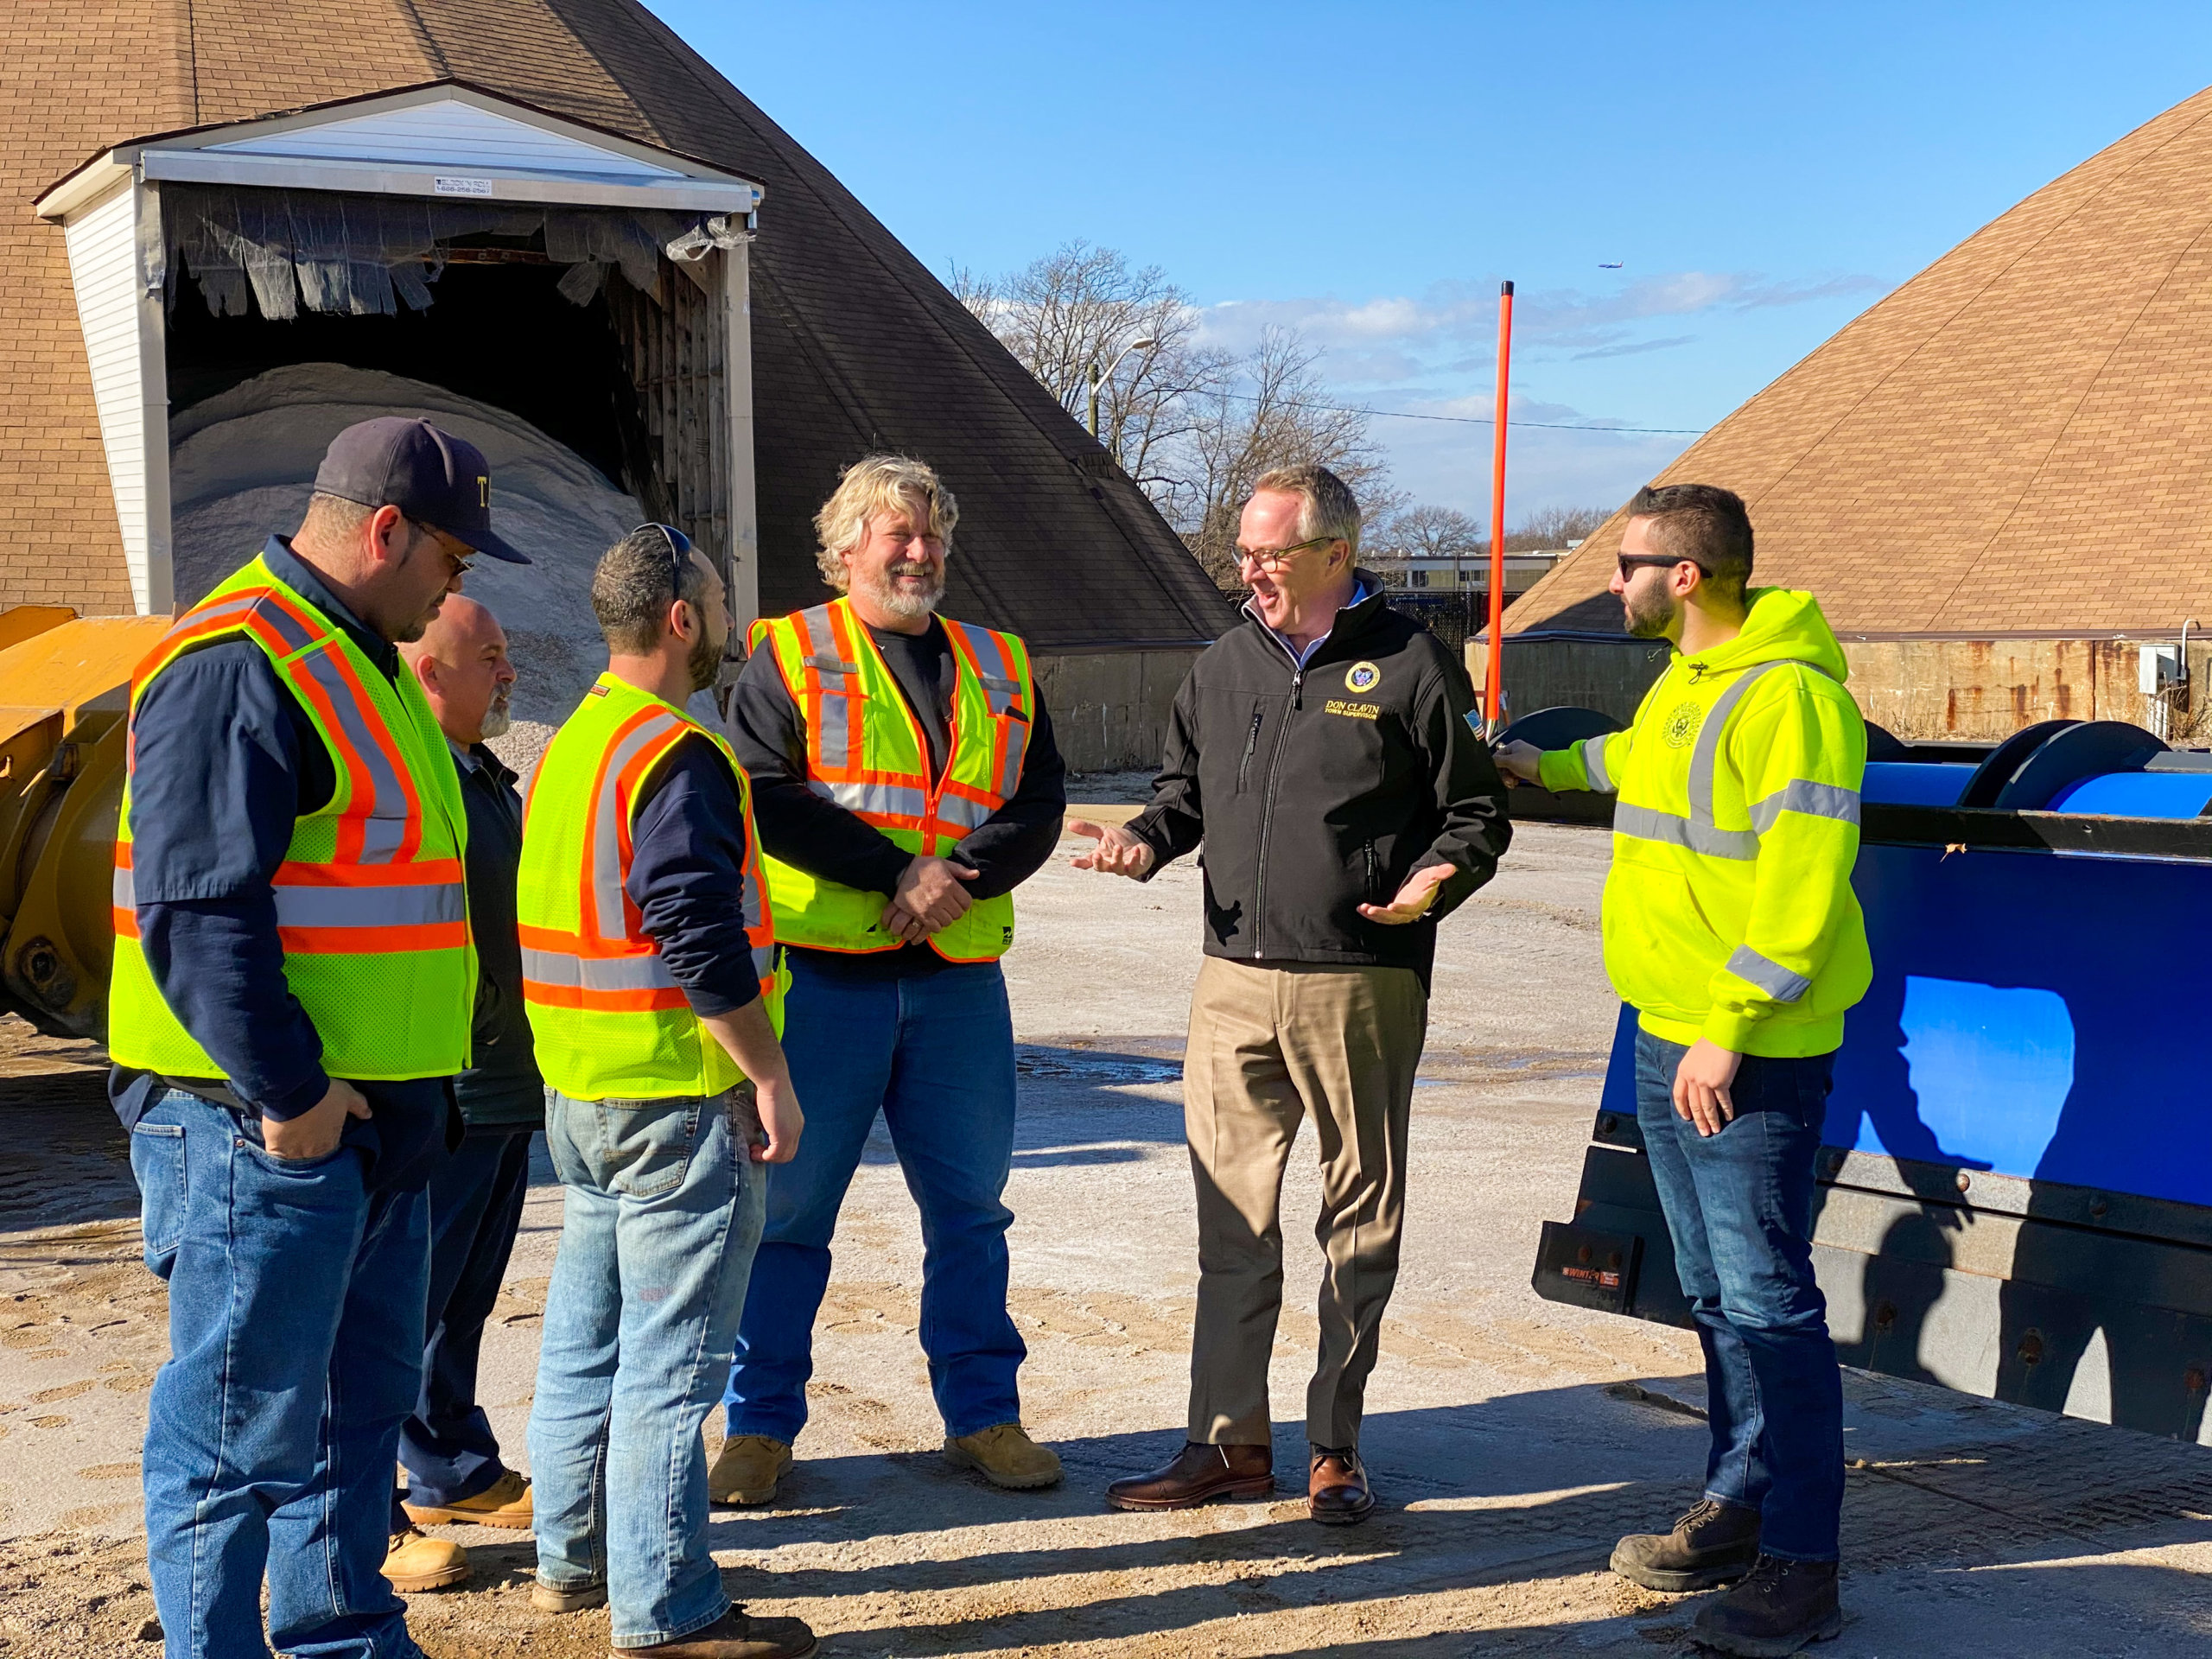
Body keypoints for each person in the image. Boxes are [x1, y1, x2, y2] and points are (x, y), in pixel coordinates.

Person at [111, 416, 527, 1658]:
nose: (458, 585)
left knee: (358, 1420)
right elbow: (196, 910)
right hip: (261, 1126)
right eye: (450, 559)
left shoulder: (372, 659)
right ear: (384, 530)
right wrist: (294, 1094)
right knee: (239, 1434)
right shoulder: (242, 658)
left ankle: (344, 1631)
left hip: (379, 1123)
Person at [1075, 463, 1510, 1526]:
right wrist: (1142, 841)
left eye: (1269, 554)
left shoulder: (1410, 663)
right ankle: (1225, 1447)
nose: (1249, 572)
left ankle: (1335, 1447)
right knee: (1231, 1225)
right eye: (1242, 553)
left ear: (1332, 554)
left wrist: (1437, 879)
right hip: (1230, 982)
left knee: (1357, 1219)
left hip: (1360, 981)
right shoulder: (1222, 665)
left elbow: (1476, 811)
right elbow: (1180, 797)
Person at [1493, 482, 1866, 1657]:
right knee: (1713, 1297)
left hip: (1740, 1055)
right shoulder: (1685, 686)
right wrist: (1530, 766)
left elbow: (1803, 890)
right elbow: (1633, 766)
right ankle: (1740, 1503)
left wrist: (1729, 1025)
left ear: (1687, 575)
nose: (1614, 580)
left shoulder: (1792, 699)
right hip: (1666, 1031)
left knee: (1770, 1305)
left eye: (1627, 563)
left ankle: (1805, 1562)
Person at [715, 454, 1068, 1505]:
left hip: (957, 978)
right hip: (825, 980)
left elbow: (1037, 801)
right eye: (897, 534)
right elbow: (763, 794)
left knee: (970, 1212)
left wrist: (952, 876)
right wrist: (894, 873)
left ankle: (983, 1416)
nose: (920, 552)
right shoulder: (785, 653)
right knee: (787, 1217)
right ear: (843, 548)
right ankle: (758, 1428)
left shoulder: (1000, 660)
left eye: (932, 535)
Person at [518, 524, 817, 1659]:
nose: (733, 617)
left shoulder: (575, 745)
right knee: (672, 1363)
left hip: (584, 1096)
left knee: (586, 1342)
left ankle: (572, 1563)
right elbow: (695, 936)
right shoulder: (677, 757)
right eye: (721, 598)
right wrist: (770, 1074)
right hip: (676, 1102)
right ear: (681, 619)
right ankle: (667, 1615)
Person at [381, 596, 541, 1586]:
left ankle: (448, 1460)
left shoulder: (483, 773)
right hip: (445, 1085)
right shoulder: (409, 777)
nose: (508, 674)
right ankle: (366, 1504)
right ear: (429, 674)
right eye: (489, 658)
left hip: (508, 1082)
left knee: (464, 1299)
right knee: (395, 1307)